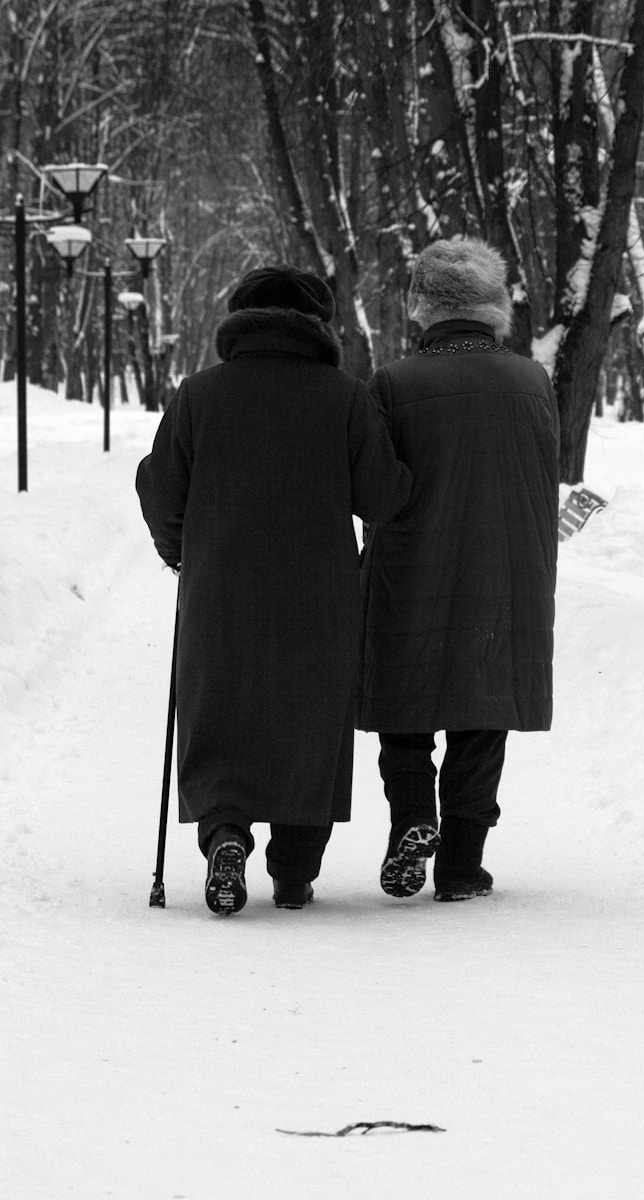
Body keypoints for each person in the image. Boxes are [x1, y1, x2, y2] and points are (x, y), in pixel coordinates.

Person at [137, 265, 411, 915]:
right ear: (319, 325)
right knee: (309, 720)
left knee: (220, 710)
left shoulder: (197, 394)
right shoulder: (344, 395)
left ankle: (226, 835)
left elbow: (159, 490)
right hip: (319, 593)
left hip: (219, 587)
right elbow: (382, 495)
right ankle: (293, 870)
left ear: (238, 320)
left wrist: (181, 552)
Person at [357, 236, 559, 901]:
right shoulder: (533, 380)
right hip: (505, 568)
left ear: (424, 308)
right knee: (482, 709)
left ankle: (413, 819)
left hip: (410, 565)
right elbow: (545, 479)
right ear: (495, 306)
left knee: (404, 706)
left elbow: (377, 485)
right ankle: (462, 864)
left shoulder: (394, 382)